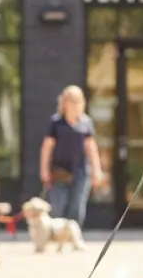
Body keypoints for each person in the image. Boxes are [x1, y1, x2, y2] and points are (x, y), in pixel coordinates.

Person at [39, 85, 106, 227]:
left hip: (80, 171)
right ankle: (56, 238)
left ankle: (73, 238)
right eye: (71, 100)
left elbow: (91, 148)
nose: (75, 104)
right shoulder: (56, 122)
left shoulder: (86, 122)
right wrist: (44, 170)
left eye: (78, 100)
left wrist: (97, 171)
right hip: (59, 171)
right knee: (57, 207)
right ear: (64, 103)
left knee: (77, 208)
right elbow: (47, 147)